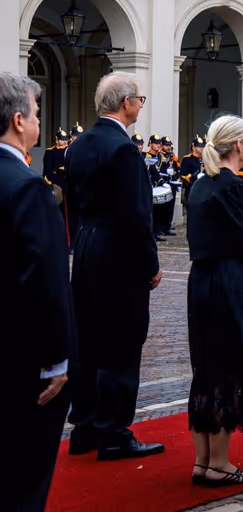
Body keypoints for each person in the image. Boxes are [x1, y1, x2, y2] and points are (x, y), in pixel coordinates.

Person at [64, 73, 164, 461]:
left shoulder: (79, 146)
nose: (140, 105)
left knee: (87, 342)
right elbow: (137, 216)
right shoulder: (124, 150)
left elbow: (72, 204)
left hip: (87, 250)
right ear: (125, 103)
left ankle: (85, 428)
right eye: (139, 98)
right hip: (119, 255)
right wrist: (151, 263)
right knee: (121, 343)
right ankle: (114, 432)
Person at [0, 72, 74, 512]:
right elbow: (45, 280)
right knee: (24, 475)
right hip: (21, 356)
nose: (40, 122)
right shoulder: (27, 186)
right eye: (38, 113)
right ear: (18, 120)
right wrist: (57, 360)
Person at [185, 115, 243, 487]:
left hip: (200, 279)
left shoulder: (200, 184)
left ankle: (203, 460)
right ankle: (219, 462)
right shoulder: (235, 185)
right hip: (228, 280)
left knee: (205, 367)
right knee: (232, 366)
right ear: (237, 146)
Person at [42, 127, 71, 244]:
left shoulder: (69, 150)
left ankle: (68, 241)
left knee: (67, 216)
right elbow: (47, 171)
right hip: (56, 186)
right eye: (61, 139)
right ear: (56, 140)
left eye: (65, 139)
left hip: (68, 185)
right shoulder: (50, 151)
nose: (64, 141)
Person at [179, 135, 206, 226]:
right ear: (193, 147)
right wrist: (195, 177)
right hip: (192, 188)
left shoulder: (205, 159)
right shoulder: (188, 159)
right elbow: (183, 175)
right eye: (199, 146)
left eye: (202, 146)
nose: (201, 148)